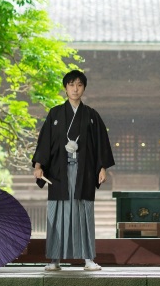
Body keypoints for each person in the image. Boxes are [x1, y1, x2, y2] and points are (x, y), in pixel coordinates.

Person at [32, 70, 115, 271]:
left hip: (84, 171)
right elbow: (44, 142)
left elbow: (100, 144)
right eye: (71, 84)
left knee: (83, 212)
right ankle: (54, 259)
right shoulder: (55, 114)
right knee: (58, 212)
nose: (75, 89)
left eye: (79, 84)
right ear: (65, 87)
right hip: (59, 172)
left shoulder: (92, 115)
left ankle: (88, 259)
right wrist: (38, 165)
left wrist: (102, 167)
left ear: (84, 88)